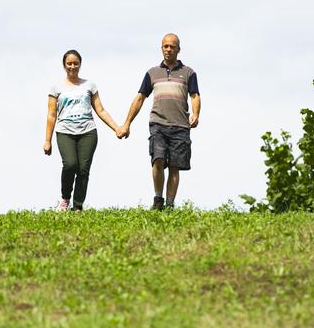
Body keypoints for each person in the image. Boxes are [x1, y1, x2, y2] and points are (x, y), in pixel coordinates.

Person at [119, 33, 200, 209]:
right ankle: (158, 199)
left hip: (180, 125)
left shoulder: (189, 73)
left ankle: (169, 205)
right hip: (158, 123)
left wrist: (195, 113)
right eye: (165, 46)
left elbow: (194, 95)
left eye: (172, 46)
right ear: (161, 48)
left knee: (174, 166)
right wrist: (127, 123)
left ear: (178, 49)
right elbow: (140, 98)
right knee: (158, 159)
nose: (168, 49)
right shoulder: (152, 73)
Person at [44, 49, 122, 211]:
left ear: (80, 65)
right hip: (65, 131)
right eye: (69, 64)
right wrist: (47, 140)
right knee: (70, 165)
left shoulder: (89, 85)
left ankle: (77, 207)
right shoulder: (56, 88)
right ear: (64, 65)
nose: (72, 66)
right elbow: (52, 115)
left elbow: (100, 110)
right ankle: (65, 199)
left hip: (88, 131)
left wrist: (116, 128)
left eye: (75, 63)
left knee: (83, 170)